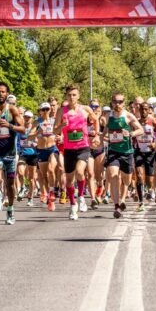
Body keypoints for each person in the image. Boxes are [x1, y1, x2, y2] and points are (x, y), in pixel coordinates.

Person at [0, 83, 27, 225]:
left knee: (10, 184)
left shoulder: (12, 110)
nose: (1, 94)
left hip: (10, 153)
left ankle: (10, 210)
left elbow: (23, 129)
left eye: (3, 92)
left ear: (6, 94)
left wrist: (10, 126)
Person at [55, 85, 97, 221]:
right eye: (69, 95)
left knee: (80, 171)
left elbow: (95, 120)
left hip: (83, 147)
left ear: (78, 96)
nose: (71, 97)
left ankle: (81, 198)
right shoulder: (62, 111)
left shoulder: (85, 109)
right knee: (69, 180)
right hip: (68, 149)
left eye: (74, 95)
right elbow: (55, 130)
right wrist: (62, 126)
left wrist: (95, 134)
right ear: (66, 96)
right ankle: (73, 205)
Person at [103, 93, 140, 219]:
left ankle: (123, 199)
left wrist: (130, 133)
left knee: (126, 180)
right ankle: (117, 205)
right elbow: (105, 132)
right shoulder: (109, 116)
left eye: (119, 101)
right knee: (113, 175)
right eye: (114, 101)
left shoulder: (128, 116)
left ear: (124, 103)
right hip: (113, 151)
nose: (117, 104)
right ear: (112, 102)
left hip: (127, 152)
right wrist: (101, 138)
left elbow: (140, 130)